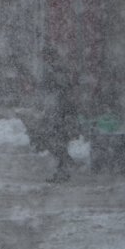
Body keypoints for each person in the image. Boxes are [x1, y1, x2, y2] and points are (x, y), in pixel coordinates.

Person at [41, 48, 78, 183]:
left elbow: (63, 90)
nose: (44, 59)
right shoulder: (54, 69)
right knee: (57, 145)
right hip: (57, 113)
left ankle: (63, 171)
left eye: (45, 56)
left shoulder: (57, 70)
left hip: (60, 114)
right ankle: (62, 170)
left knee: (58, 144)